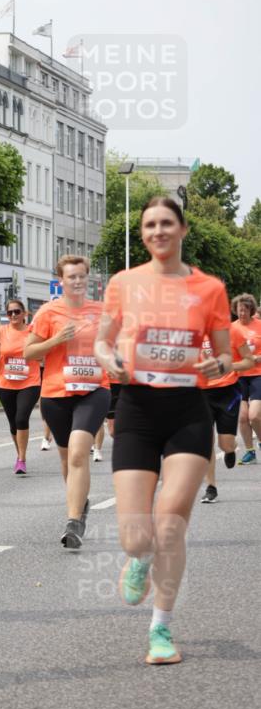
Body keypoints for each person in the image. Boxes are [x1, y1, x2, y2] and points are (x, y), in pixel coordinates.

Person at [94, 197, 232, 665]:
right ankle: (139, 558)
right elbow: (101, 340)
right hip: (137, 410)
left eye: (166, 223)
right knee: (137, 536)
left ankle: (161, 629)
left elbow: (225, 355)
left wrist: (218, 364)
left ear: (183, 230)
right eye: (150, 224)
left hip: (188, 411)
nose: (158, 231)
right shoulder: (124, 283)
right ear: (144, 232)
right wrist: (107, 359)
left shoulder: (209, 288)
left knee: (171, 523)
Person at [24, 255, 110, 550]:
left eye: (81, 276)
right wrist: (56, 339)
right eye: (71, 277)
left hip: (94, 390)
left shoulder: (101, 312)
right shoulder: (49, 313)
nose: (76, 281)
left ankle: (73, 523)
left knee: (77, 454)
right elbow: (29, 353)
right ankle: (79, 502)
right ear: (61, 281)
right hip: (56, 393)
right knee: (66, 459)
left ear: (89, 279)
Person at [198, 324, 254, 503]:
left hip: (228, 393)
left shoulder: (233, 331)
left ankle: (230, 450)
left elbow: (249, 361)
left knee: (226, 444)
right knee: (206, 440)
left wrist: (229, 366)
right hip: (201, 393)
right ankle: (211, 487)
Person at [0, 299, 40, 474]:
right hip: (6, 383)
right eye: (10, 313)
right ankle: (19, 456)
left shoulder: (33, 332)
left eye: (17, 311)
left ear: (24, 314)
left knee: (21, 419)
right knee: (13, 423)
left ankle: (22, 459)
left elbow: (42, 352)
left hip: (29, 382)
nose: (14, 315)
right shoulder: (1, 331)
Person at [230, 294, 261, 464]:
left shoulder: (259, 326)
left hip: (258, 375)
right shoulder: (231, 328)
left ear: (251, 310)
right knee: (242, 417)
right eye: (239, 309)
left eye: (245, 309)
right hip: (239, 377)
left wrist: (257, 358)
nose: (242, 313)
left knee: (254, 415)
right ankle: (250, 452)